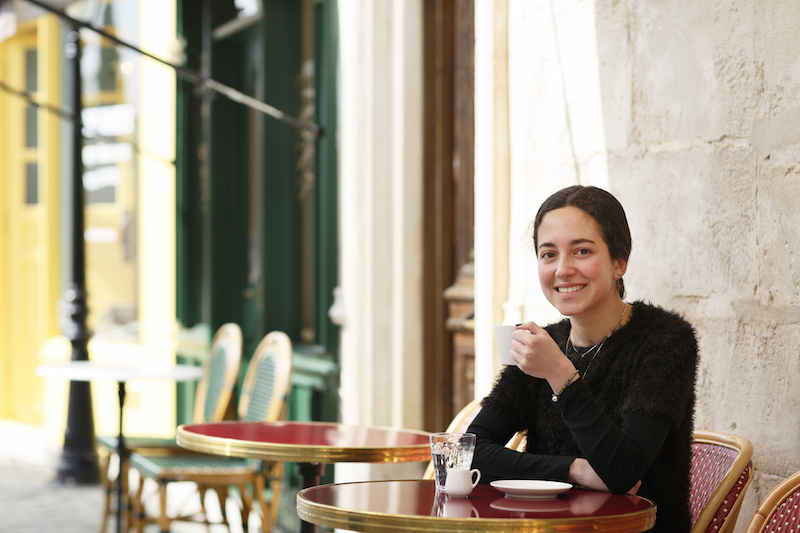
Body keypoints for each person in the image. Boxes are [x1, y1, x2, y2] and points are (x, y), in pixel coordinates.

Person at [468, 185, 698, 532]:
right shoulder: (543, 343)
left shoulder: (665, 340)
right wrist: (573, 469)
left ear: (618, 263)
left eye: (582, 251)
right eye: (548, 255)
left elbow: (622, 472)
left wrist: (561, 373)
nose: (562, 269)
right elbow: (471, 452)